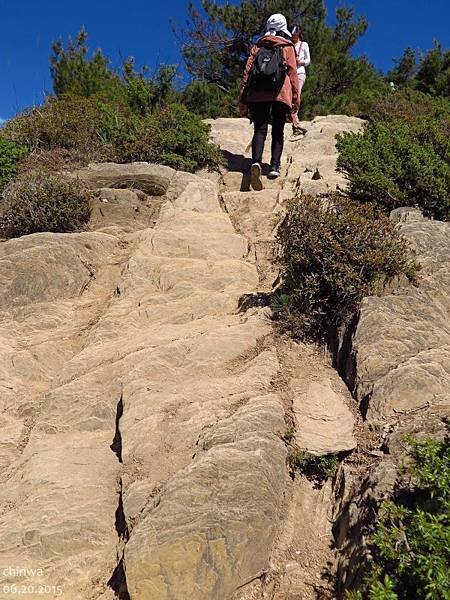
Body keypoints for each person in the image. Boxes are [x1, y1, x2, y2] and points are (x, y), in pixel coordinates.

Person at [240, 13, 299, 190]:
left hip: (258, 93)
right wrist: (295, 100)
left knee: (259, 129)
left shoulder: (258, 46)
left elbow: (247, 72)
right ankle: (274, 167)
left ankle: (256, 162)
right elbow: (293, 75)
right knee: (278, 130)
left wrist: (243, 97)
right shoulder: (287, 46)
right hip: (280, 94)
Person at [291, 23, 310, 135]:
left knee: (297, 94)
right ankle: (292, 117)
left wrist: (300, 62)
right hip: (290, 73)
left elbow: (308, 61)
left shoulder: (304, 45)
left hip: (300, 72)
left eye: (295, 34)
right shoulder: (289, 45)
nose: (293, 36)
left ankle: (295, 118)